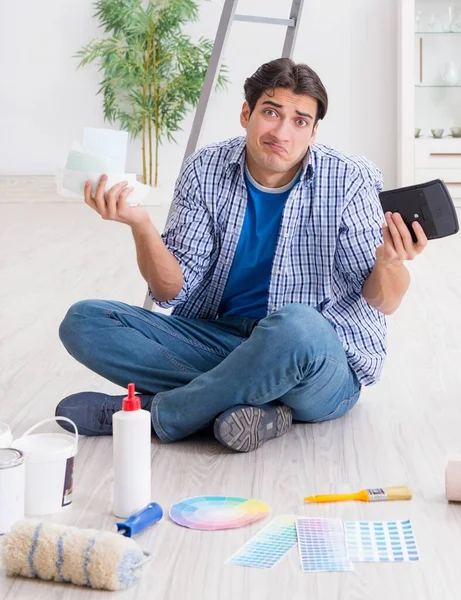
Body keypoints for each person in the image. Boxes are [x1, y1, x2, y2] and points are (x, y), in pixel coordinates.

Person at [56, 58, 427, 452]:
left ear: (314, 131)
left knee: (298, 326)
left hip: (315, 361)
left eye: (300, 121)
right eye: (271, 112)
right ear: (246, 113)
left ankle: (160, 413)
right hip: (219, 339)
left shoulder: (351, 178)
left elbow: (382, 301)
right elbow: (169, 291)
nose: (282, 132)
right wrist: (142, 226)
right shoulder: (205, 168)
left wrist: (389, 260)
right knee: (84, 322)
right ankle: (256, 406)